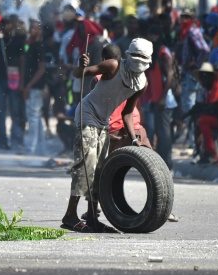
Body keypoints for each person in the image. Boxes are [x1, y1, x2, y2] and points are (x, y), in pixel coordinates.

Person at [60, 38, 153, 233]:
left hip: (103, 121)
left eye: (142, 58)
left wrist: (134, 140)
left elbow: (127, 113)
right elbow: (80, 74)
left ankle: (93, 217)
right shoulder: (113, 65)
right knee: (86, 165)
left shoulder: (142, 82)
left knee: (101, 170)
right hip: (87, 113)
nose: (138, 62)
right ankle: (70, 215)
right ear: (128, 55)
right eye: (135, 57)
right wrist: (81, 65)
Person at [140, 24, 177, 169]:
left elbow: (170, 76)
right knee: (152, 129)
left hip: (164, 99)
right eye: (150, 35)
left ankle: (167, 163)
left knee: (164, 132)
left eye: (153, 35)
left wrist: (162, 97)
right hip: (152, 98)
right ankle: (159, 161)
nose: (151, 38)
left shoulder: (163, 52)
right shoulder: (152, 52)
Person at [0, 15, 26, 150]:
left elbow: (22, 62)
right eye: (4, 26)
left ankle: (16, 140)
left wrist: (22, 81)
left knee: (15, 111)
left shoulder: (19, 42)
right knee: (0, 111)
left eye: (9, 25)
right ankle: (3, 141)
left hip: (14, 80)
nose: (6, 28)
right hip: (0, 80)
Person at [22, 19, 46, 154]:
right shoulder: (30, 45)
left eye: (35, 28)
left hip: (36, 86)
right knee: (36, 116)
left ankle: (31, 148)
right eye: (30, 28)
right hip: (31, 85)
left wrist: (29, 85)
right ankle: (41, 147)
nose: (32, 31)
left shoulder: (39, 46)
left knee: (33, 116)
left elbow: (41, 69)